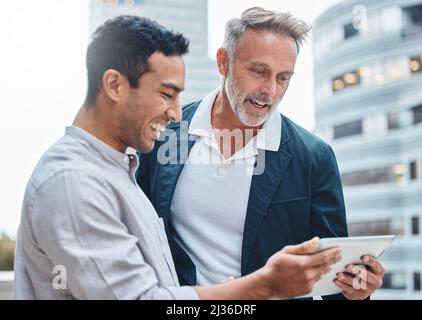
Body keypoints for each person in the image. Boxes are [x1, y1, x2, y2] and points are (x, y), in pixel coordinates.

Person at [14, 15, 341, 300]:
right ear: (115, 85)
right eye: (166, 93)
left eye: (283, 77)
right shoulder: (74, 182)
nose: (174, 113)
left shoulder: (120, 168)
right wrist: (264, 285)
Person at [136, 7, 385, 300]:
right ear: (223, 62)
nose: (270, 90)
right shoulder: (166, 133)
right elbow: (139, 235)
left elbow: (334, 280)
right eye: (258, 71)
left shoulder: (314, 158)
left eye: (283, 78)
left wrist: (358, 291)